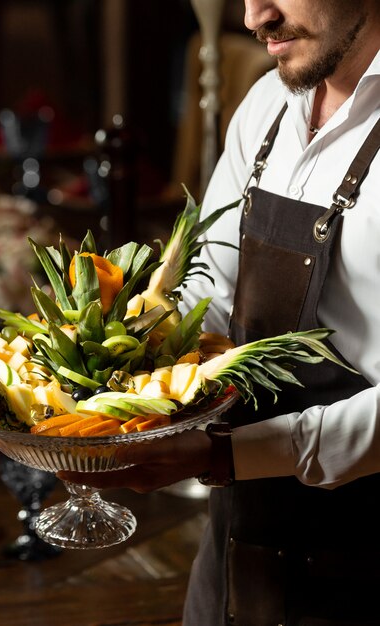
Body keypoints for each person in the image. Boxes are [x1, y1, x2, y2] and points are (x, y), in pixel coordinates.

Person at [59, 1, 380, 623]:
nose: (255, 15)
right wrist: (110, 382)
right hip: (237, 550)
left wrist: (227, 454)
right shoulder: (266, 103)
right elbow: (212, 294)